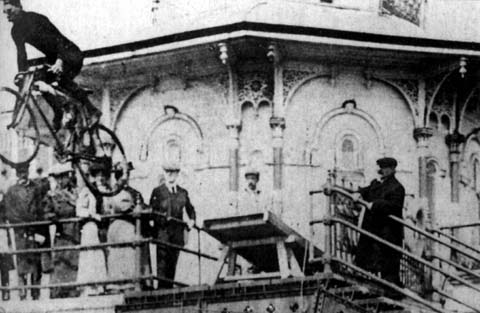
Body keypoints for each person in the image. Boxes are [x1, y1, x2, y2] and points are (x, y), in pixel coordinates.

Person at [2, 0, 101, 130]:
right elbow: (21, 55)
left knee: (59, 77)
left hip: (70, 54)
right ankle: (59, 110)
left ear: (19, 7)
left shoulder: (36, 19)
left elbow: (58, 38)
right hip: (53, 60)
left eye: (10, 11)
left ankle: (92, 110)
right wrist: (22, 74)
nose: (7, 16)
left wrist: (60, 60)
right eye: (5, 13)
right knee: (37, 81)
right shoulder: (16, 31)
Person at [352, 157, 405, 286]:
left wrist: (375, 205)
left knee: (389, 264)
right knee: (369, 259)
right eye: (382, 168)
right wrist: (358, 193)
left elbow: (394, 206)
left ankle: (391, 287)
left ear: (392, 170)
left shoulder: (397, 187)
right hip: (374, 230)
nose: (383, 171)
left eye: (386, 168)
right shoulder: (377, 184)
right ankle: (368, 281)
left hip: (389, 231)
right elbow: (367, 190)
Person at [3, 163, 49, 299]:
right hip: (21, 231)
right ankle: (22, 293)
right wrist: (23, 223)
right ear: (17, 174)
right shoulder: (12, 191)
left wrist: (37, 224)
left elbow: (41, 208)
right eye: (20, 172)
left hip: (35, 229)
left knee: (36, 262)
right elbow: (10, 213)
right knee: (22, 262)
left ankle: (36, 293)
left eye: (25, 171)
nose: (23, 174)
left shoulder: (36, 189)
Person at [149, 163, 196, 288]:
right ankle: (162, 292)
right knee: (162, 264)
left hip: (177, 234)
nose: (170, 175)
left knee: (173, 263)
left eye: (173, 172)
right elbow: (151, 212)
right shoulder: (158, 191)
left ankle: (170, 290)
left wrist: (192, 221)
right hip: (163, 233)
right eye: (167, 172)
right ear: (164, 173)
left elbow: (190, 209)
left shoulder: (182, 192)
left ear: (177, 174)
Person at [42, 163, 79, 298]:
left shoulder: (75, 193)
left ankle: (72, 291)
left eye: (65, 177)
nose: (63, 180)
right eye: (60, 177)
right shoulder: (52, 195)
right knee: (60, 262)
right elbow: (46, 212)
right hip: (62, 234)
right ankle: (58, 292)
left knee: (74, 261)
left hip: (74, 232)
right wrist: (53, 218)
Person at [75, 162, 109, 296]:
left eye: (102, 176)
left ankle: (100, 286)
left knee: (101, 255)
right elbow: (79, 210)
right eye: (97, 176)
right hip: (90, 227)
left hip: (102, 227)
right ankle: (89, 288)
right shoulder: (87, 191)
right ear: (92, 177)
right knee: (91, 256)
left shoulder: (105, 191)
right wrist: (92, 215)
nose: (99, 178)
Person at [107, 189, 138, 292]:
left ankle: (127, 283)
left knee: (127, 254)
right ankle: (116, 284)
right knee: (116, 255)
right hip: (118, 224)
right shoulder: (114, 193)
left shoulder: (127, 193)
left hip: (126, 224)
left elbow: (127, 205)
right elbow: (114, 207)